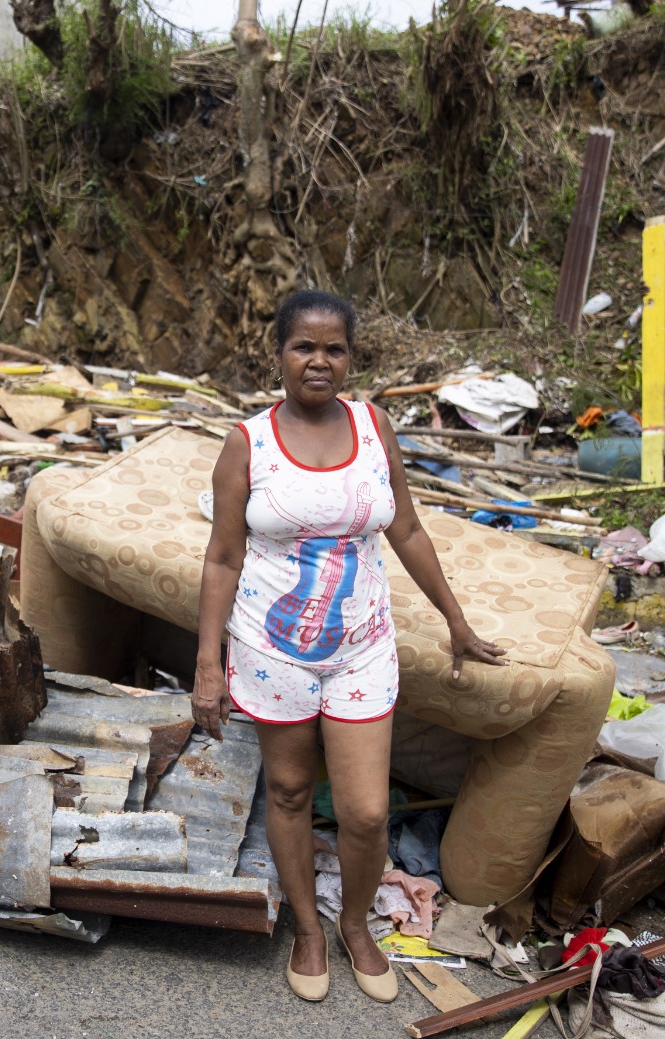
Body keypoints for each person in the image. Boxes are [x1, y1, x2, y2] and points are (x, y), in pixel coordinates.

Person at [191, 289, 507, 1003]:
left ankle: (356, 924)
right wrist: (208, 663)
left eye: (334, 348)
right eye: (304, 346)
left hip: (362, 644)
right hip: (272, 649)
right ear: (278, 353)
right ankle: (308, 928)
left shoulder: (374, 426)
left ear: (350, 357)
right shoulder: (249, 442)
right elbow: (221, 558)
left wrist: (454, 619)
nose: (319, 361)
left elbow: (408, 530)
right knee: (293, 788)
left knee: (365, 811)